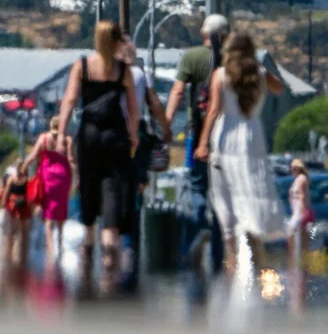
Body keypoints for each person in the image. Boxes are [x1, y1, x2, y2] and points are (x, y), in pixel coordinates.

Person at [194, 31, 285, 278]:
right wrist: (259, 70)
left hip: (226, 138)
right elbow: (279, 88)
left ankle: (231, 260)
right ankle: (254, 245)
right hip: (253, 137)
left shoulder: (220, 75)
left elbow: (213, 110)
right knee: (252, 189)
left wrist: (202, 143)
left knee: (224, 198)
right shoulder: (260, 75)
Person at [56, 21, 140, 278]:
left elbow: (70, 100)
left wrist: (61, 134)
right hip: (115, 135)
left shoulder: (81, 66)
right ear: (116, 42)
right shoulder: (122, 70)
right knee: (113, 188)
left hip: (89, 134)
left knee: (89, 187)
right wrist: (134, 135)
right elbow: (133, 109)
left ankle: (88, 244)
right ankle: (109, 245)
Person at [166, 14, 229, 272]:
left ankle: (199, 228)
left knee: (197, 185)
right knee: (224, 193)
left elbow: (179, 91)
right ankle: (220, 250)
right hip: (227, 136)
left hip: (199, 131)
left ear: (203, 32)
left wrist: (166, 123)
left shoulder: (192, 57)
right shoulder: (233, 60)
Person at [118, 38, 171, 286]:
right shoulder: (140, 73)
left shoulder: (106, 72)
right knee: (137, 191)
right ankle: (131, 248)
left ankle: (113, 246)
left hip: (111, 135)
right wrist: (166, 129)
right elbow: (155, 104)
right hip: (135, 137)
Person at [21, 116, 74, 264]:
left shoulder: (44, 138)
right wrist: (79, 174)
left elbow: (33, 155)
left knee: (49, 214)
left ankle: (51, 251)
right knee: (61, 210)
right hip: (63, 177)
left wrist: (23, 167)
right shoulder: (67, 140)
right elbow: (70, 159)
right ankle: (61, 244)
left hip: (48, 177)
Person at [0, 158, 32, 268]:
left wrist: (2, 205)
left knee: (12, 233)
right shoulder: (26, 180)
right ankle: (20, 257)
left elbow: (6, 194)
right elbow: (30, 195)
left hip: (14, 207)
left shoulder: (12, 180)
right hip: (22, 207)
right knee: (20, 233)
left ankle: (11, 258)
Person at [286, 159, 313, 264]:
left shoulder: (302, 179)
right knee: (301, 237)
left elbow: (303, 196)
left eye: (294, 168)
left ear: (299, 168)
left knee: (291, 233)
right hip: (296, 211)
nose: (292, 170)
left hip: (299, 212)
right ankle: (300, 260)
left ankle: (294, 259)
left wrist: (303, 212)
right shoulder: (297, 179)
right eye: (291, 168)